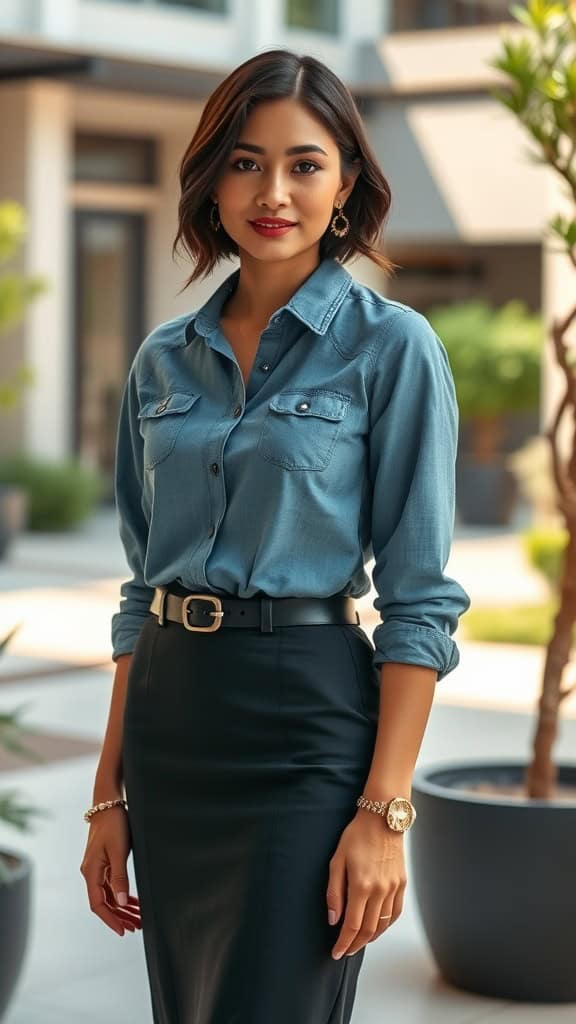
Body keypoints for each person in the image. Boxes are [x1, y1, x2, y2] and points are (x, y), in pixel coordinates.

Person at [80, 47, 471, 1024]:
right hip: (174, 726)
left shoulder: (392, 349)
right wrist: (107, 791)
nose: (274, 190)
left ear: (344, 184)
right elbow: (142, 591)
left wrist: (385, 812)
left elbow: (420, 601)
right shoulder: (163, 362)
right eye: (246, 161)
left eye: (304, 163)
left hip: (305, 727)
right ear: (211, 179)